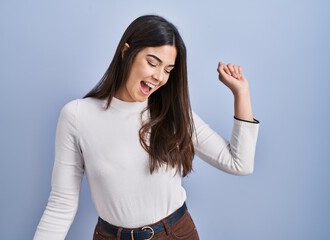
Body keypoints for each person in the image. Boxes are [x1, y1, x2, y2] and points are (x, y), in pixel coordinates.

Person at [34, 15, 259, 240]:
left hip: (175, 234)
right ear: (126, 53)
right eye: (152, 63)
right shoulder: (77, 115)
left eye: (168, 70)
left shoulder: (174, 114)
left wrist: (242, 94)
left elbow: (239, 163)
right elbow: (61, 204)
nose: (159, 77)